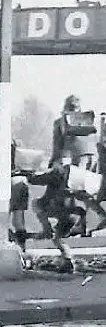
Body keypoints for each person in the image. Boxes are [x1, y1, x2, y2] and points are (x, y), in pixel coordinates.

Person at [50, 95, 106, 233]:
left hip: (75, 159)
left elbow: (57, 145)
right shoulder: (87, 120)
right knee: (85, 191)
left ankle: (77, 223)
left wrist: (53, 161)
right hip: (92, 158)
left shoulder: (61, 122)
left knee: (74, 190)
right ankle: (85, 221)